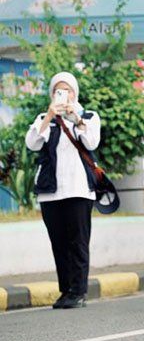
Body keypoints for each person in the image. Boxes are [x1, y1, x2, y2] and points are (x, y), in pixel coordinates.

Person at [25, 72, 101, 310]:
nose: (64, 94)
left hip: (78, 190)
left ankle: (78, 291)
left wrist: (75, 118)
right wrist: (49, 116)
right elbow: (32, 143)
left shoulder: (88, 116)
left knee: (78, 242)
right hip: (51, 192)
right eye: (59, 90)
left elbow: (91, 142)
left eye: (68, 90)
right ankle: (66, 291)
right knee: (58, 243)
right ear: (52, 94)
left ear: (74, 93)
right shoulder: (44, 118)